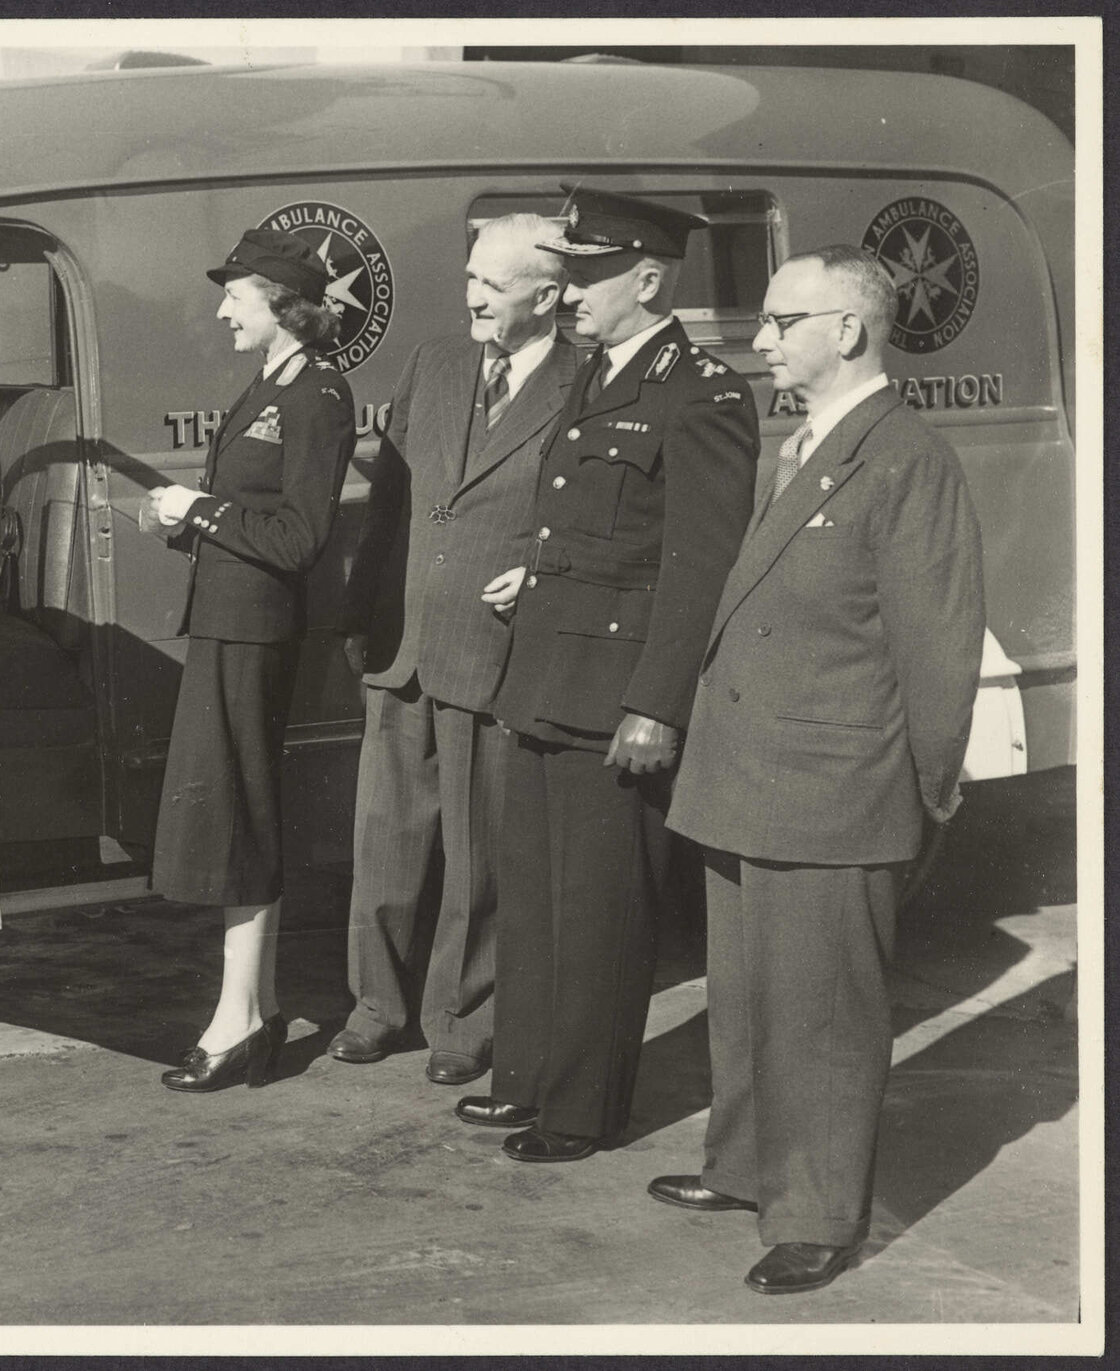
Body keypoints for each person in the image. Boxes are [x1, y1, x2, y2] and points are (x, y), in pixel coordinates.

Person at [654, 246, 985, 1295]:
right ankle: (747, 1166)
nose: (757, 344)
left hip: (834, 784)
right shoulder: (797, 442)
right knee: (750, 997)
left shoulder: (905, 458)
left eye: (776, 322)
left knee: (825, 1017)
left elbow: (936, 651)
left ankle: (817, 1213)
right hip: (749, 773)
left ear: (845, 329)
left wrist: (928, 792)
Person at [457, 186, 758, 1161]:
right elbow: (586, 527)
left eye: (586, 273)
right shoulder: (595, 374)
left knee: (598, 913)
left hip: (613, 697)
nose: (567, 290)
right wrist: (534, 577)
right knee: (536, 901)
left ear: (644, 276)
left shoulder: (698, 392)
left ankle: (580, 1108)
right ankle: (526, 1078)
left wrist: (654, 705)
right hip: (546, 671)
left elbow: (694, 565)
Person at [330, 214, 577, 1085]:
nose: (472, 296)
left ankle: (462, 1021)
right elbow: (393, 500)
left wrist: (542, 571)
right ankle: (376, 1005)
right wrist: (361, 613)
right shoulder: (436, 362)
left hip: (494, 645)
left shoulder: (582, 382)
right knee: (385, 840)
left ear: (547, 297)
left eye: (493, 285)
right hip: (404, 642)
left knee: (479, 855)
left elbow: (589, 517)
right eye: (469, 278)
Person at [148, 229, 356, 1092]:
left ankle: (238, 1019)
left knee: (247, 812)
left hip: (260, 630)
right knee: (237, 812)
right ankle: (254, 1011)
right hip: (231, 622)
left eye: (236, 294)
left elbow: (301, 537)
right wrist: (188, 520)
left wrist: (200, 512)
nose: (222, 308)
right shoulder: (266, 386)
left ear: (282, 303)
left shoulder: (316, 397)